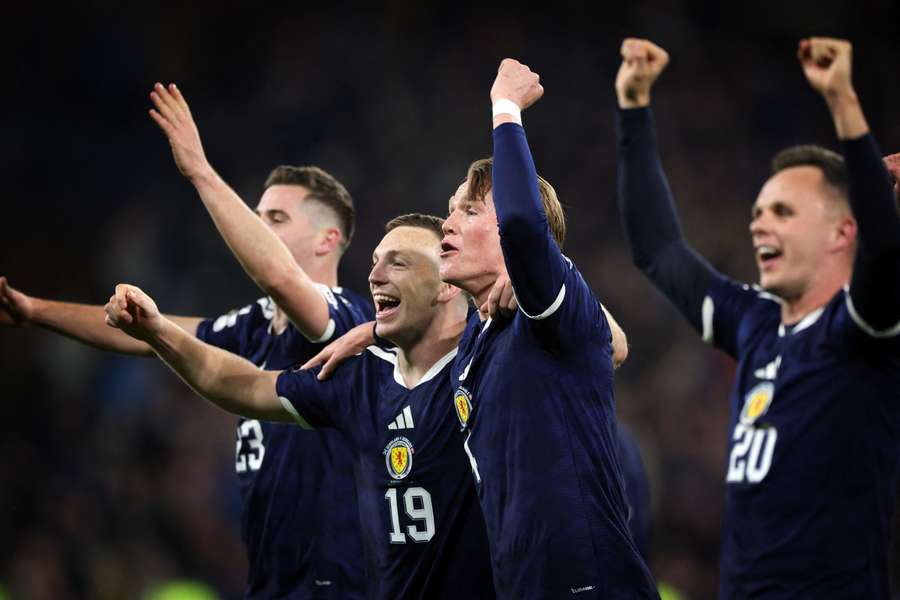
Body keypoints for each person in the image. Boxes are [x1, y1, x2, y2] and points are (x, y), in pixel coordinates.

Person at [0, 83, 374, 599]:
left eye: (275, 220)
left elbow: (282, 279)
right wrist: (35, 310)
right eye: (257, 216)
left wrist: (199, 169)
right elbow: (143, 337)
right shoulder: (253, 327)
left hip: (342, 587)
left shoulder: (350, 318)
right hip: (273, 585)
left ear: (327, 239)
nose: (255, 228)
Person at [615, 37, 900, 597]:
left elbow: (887, 254)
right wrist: (633, 109)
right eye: (757, 212)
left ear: (844, 231)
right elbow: (659, 248)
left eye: (783, 212)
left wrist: (843, 103)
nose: (759, 225)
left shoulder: (863, 328)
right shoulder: (755, 323)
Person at [104, 214, 496, 600]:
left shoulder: (491, 358)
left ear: (446, 284)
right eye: (375, 261)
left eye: (398, 262)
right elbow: (243, 385)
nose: (375, 275)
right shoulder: (359, 377)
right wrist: (157, 331)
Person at [437, 59, 658, 598]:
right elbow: (614, 345)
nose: (447, 222)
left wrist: (505, 108)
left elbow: (521, 225)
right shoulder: (476, 340)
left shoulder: (545, 310)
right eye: (449, 211)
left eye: (468, 210)